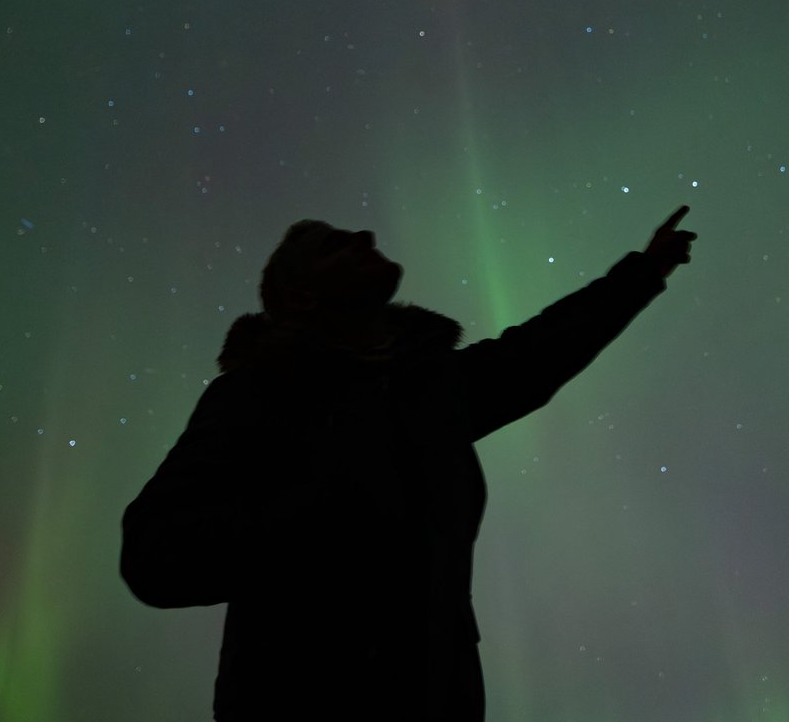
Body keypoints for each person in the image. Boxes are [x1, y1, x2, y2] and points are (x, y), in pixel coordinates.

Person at [120, 205, 696, 722]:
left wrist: (644, 274)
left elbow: (540, 351)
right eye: (335, 246)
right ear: (301, 296)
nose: (366, 234)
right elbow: (154, 553)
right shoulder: (257, 396)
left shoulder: (431, 391)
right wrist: (318, 511)